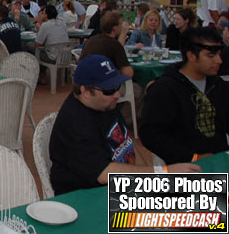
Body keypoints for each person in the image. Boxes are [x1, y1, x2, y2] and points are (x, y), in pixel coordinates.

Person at [49, 54, 200, 196]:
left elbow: (126, 146)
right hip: (87, 199)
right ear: (86, 91)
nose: (117, 94)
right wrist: (164, 173)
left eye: (117, 86)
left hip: (119, 188)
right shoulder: (75, 123)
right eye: (109, 89)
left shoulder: (105, 104)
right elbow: (105, 174)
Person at [141, 27, 229, 164]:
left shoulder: (218, 86)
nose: (219, 61)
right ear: (192, 56)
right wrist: (192, 157)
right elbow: (151, 135)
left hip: (219, 160)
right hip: (183, 167)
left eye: (219, 54)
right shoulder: (165, 89)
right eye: (211, 56)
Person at [79, 12, 133, 79]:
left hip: (82, 78)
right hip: (99, 82)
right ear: (115, 28)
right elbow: (128, 73)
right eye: (121, 24)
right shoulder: (114, 44)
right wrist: (123, 33)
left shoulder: (92, 39)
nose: (122, 26)